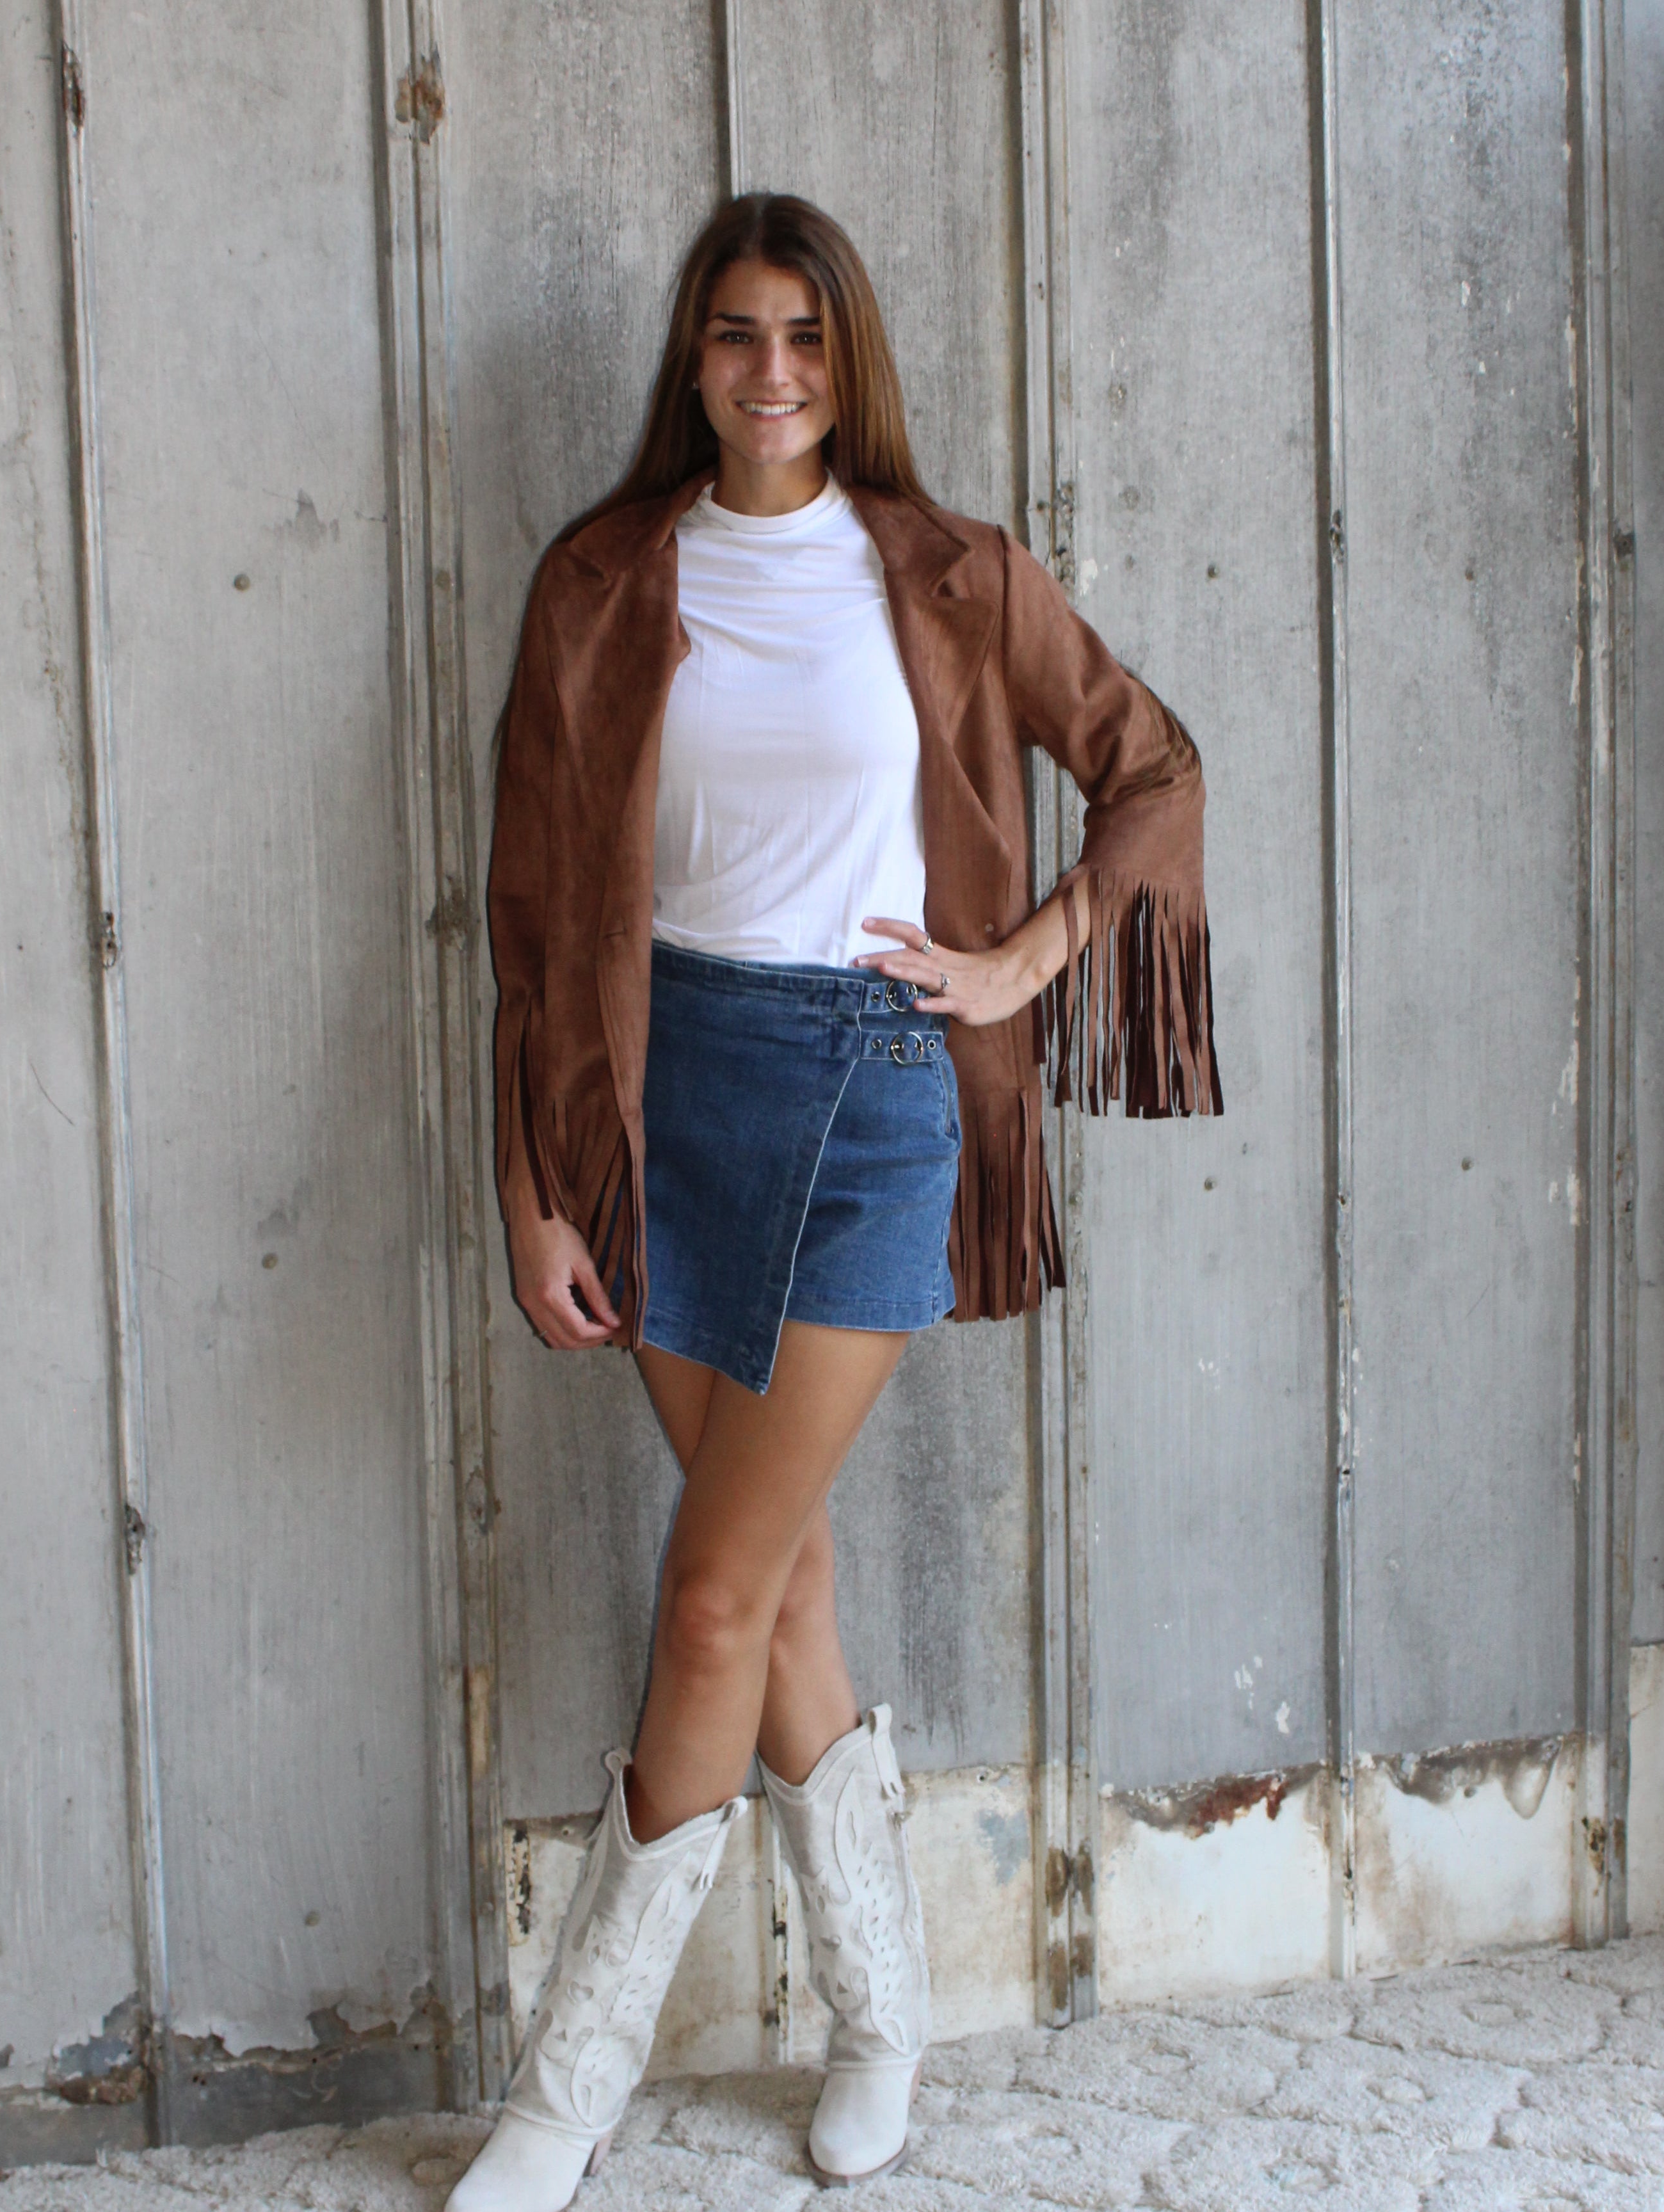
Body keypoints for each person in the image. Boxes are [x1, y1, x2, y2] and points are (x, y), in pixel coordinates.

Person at [449, 192, 1219, 2212]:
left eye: (804, 336)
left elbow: (1152, 766)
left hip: (881, 1094)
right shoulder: (606, 580)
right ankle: (884, 2016)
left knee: (711, 1595)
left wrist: (1036, 956)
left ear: (846, 356)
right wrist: (533, 1188)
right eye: (733, 336)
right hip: (658, 1102)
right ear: (690, 358)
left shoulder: (951, 574)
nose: (770, 373)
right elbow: (533, 919)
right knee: (775, 1585)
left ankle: (565, 2095)